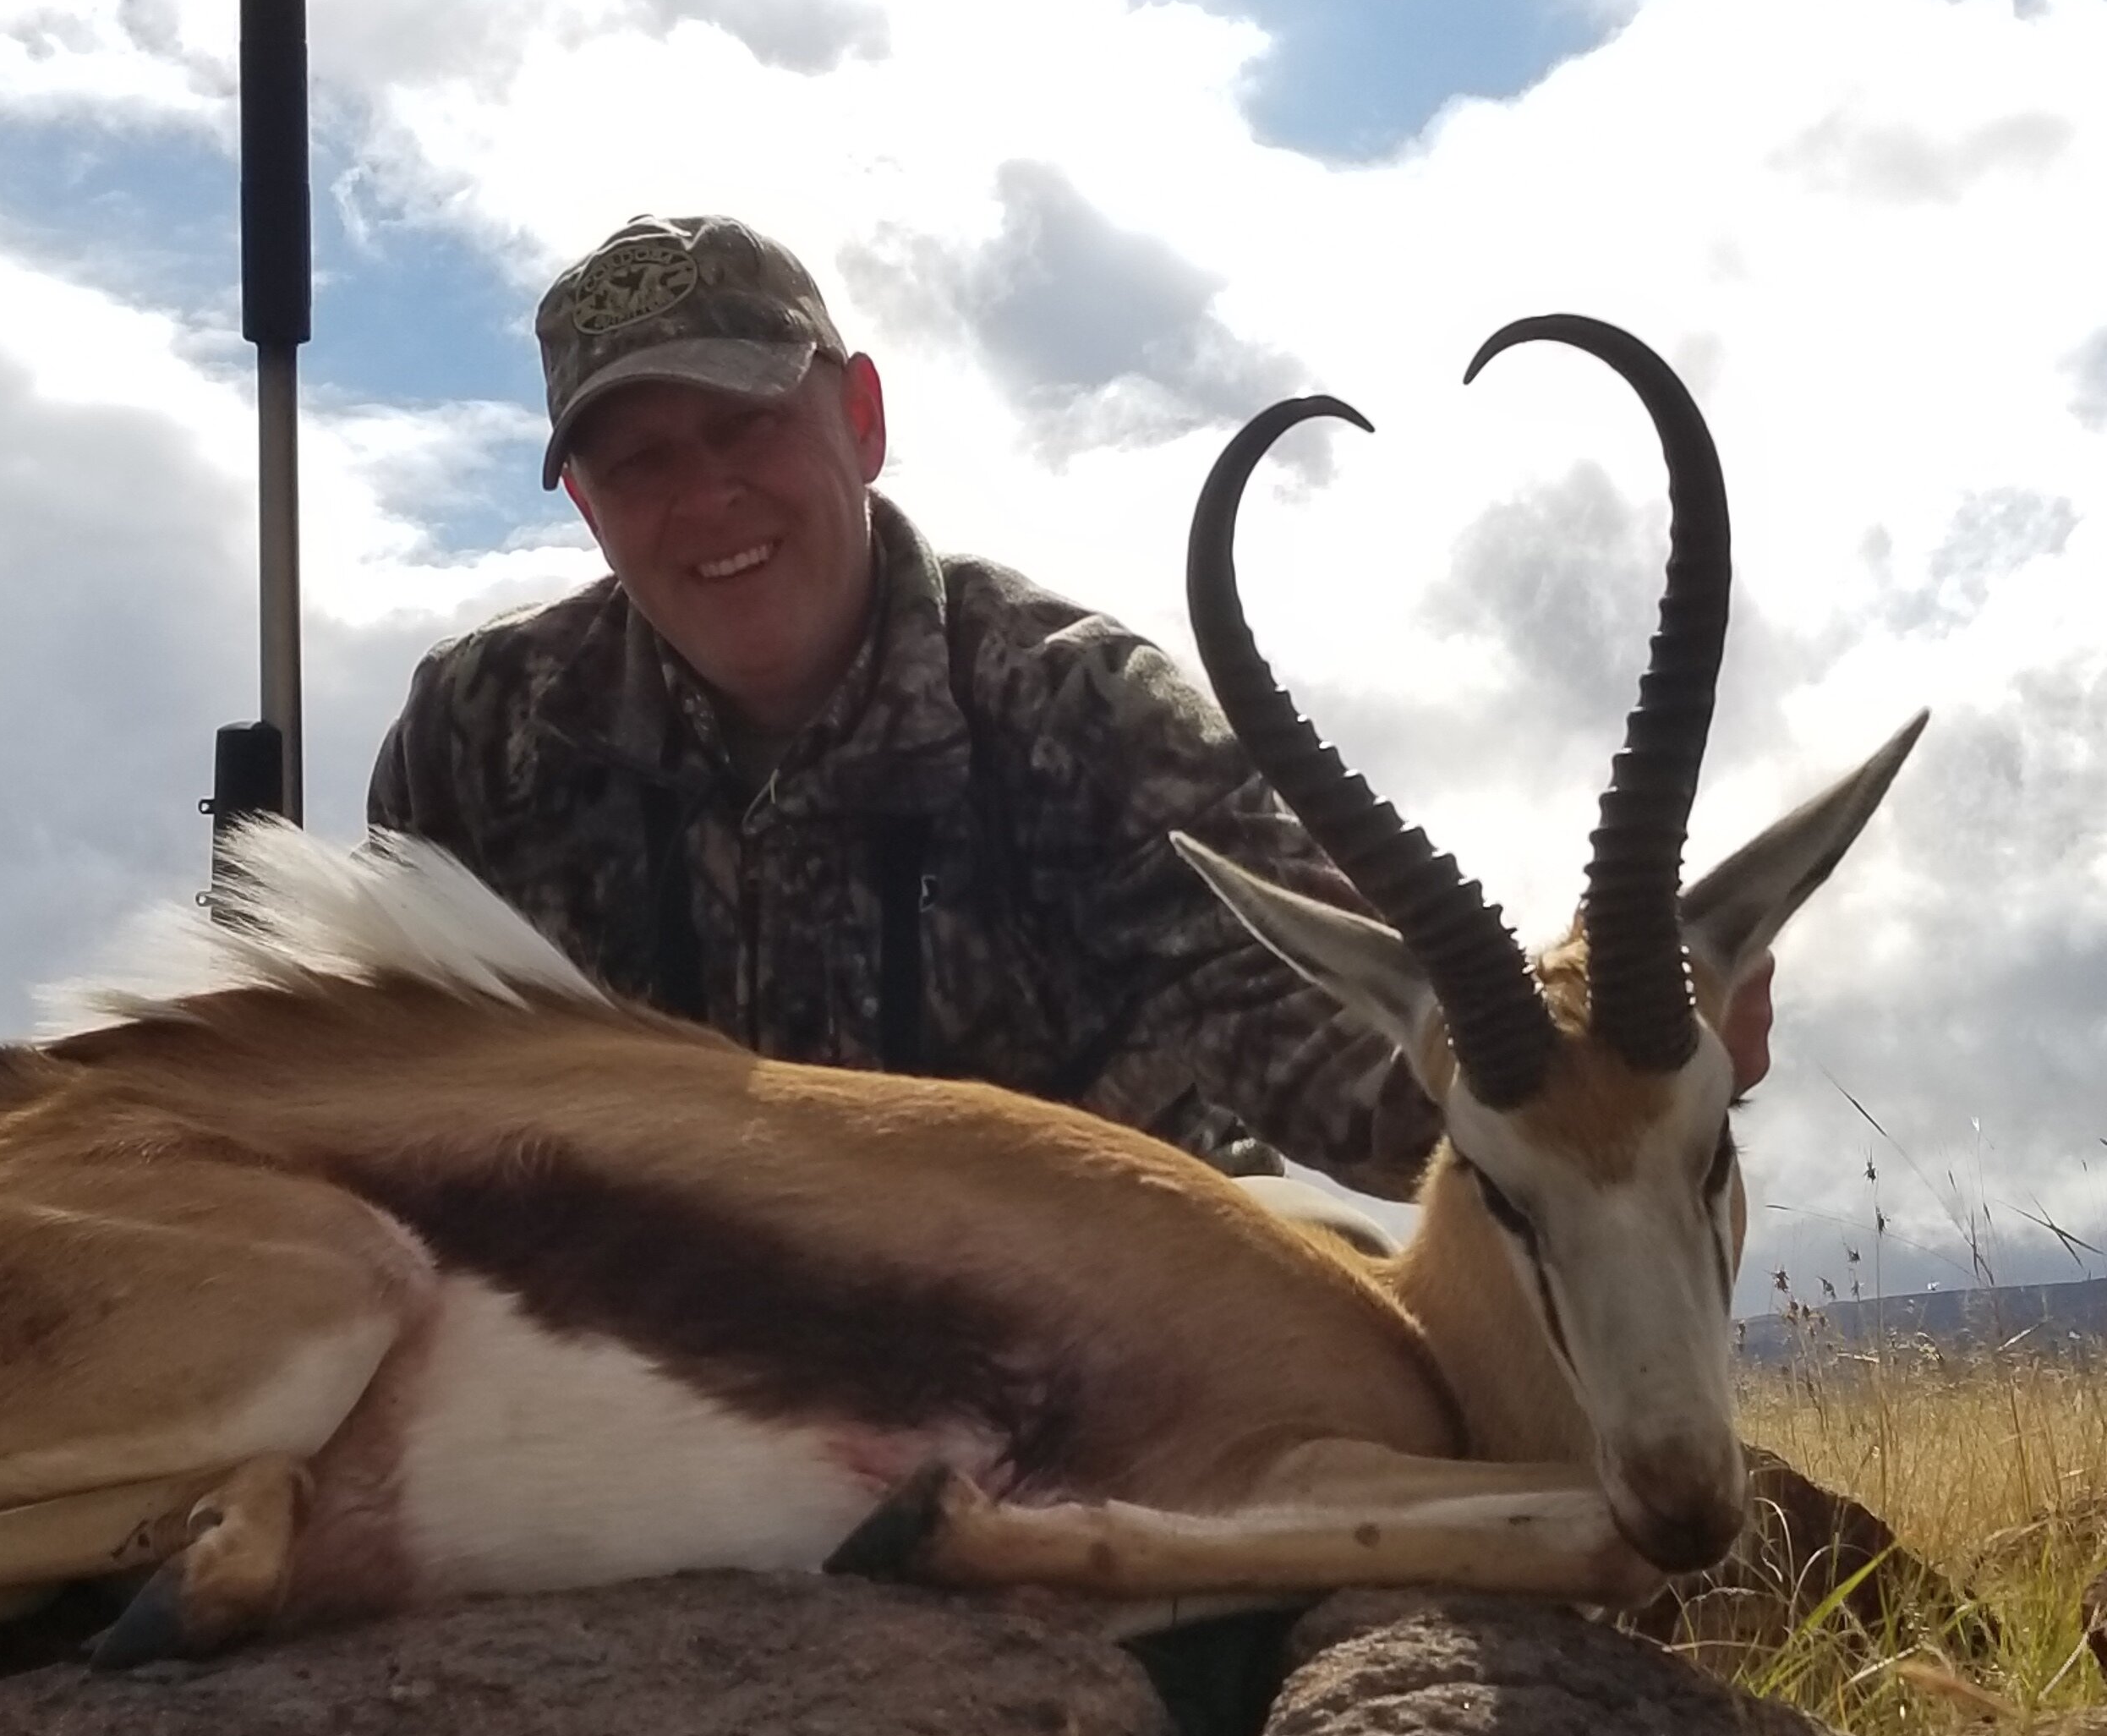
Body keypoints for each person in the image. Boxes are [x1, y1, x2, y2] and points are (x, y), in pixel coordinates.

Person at [369, 212, 1773, 1191]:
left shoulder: (1090, 719)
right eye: (640, 462)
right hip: (657, 1376)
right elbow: (393, 1091)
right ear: (583, 507)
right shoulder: (479, 738)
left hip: (1094, 1353)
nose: (705, 494)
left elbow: (1368, 1091)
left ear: (859, 418)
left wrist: (1603, 1062)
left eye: (746, 426)